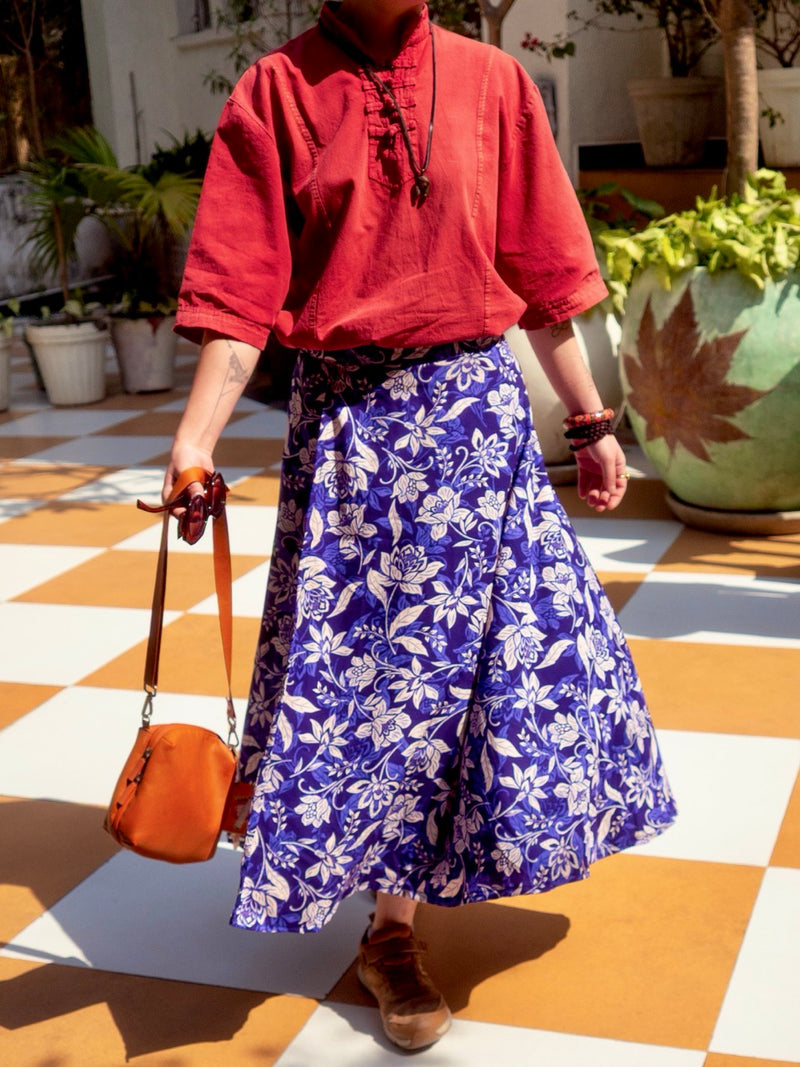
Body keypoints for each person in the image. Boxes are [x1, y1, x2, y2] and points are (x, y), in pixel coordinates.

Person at [163, 0, 677, 1051]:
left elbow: (543, 271)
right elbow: (240, 296)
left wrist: (589, 420)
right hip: (352, 439)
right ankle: (389, 933)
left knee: (512, 667)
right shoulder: (274, 93)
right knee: (376, 683)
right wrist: (193, 443)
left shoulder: (493, 82)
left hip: (478, 426)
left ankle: (444, 877)